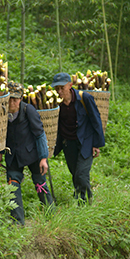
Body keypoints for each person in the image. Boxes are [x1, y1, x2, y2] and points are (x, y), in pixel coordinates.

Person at [0, 82, 53, 225]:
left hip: (32, 154)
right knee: (12, 186)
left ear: (21, 99)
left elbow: (39, 134)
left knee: (40, 184)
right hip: (13, 155)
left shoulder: (29, 110)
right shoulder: (1, 112)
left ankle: (51, 216)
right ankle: (17, 222)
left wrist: (43, 158)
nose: (12, 102)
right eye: (9, 98)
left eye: (15, 99)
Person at [51, 72, 105, 205]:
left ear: (70, 85)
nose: (59, 91)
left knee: (81, 174)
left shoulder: (84, 98)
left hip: (85, 141)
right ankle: (80, 198)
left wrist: (96, 144)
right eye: (56, 88)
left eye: (61, 87)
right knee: (75, 173)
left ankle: (86, 202)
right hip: (68, 143)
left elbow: (96, 120)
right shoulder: (55, 104)